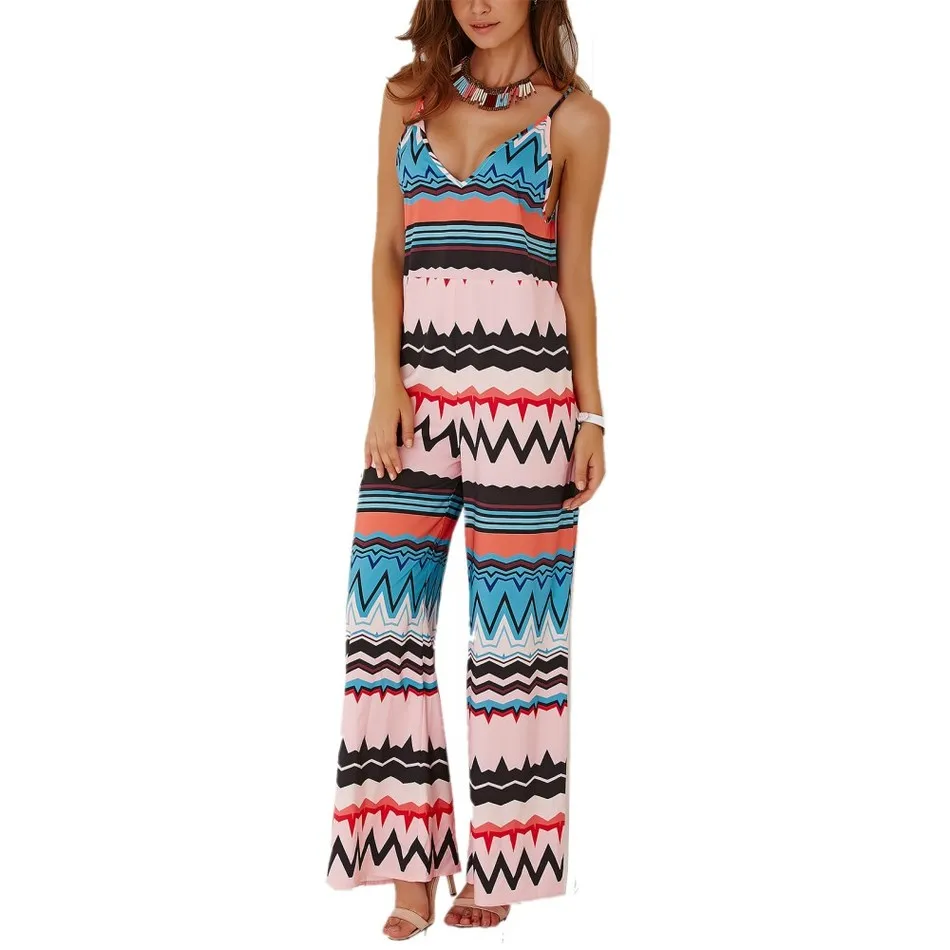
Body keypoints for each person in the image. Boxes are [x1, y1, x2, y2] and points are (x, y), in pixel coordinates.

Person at [326, 0, 609, 939]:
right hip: (414, 408)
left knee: (515, 650)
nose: (479, 4)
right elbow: (387, 249)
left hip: (530, 412)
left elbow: (574, 277)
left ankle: (502, 860)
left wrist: (591, 416)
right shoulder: (408, 98)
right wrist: (385, 387)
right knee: (384, 629)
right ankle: (406, 862)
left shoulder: (577, 120)